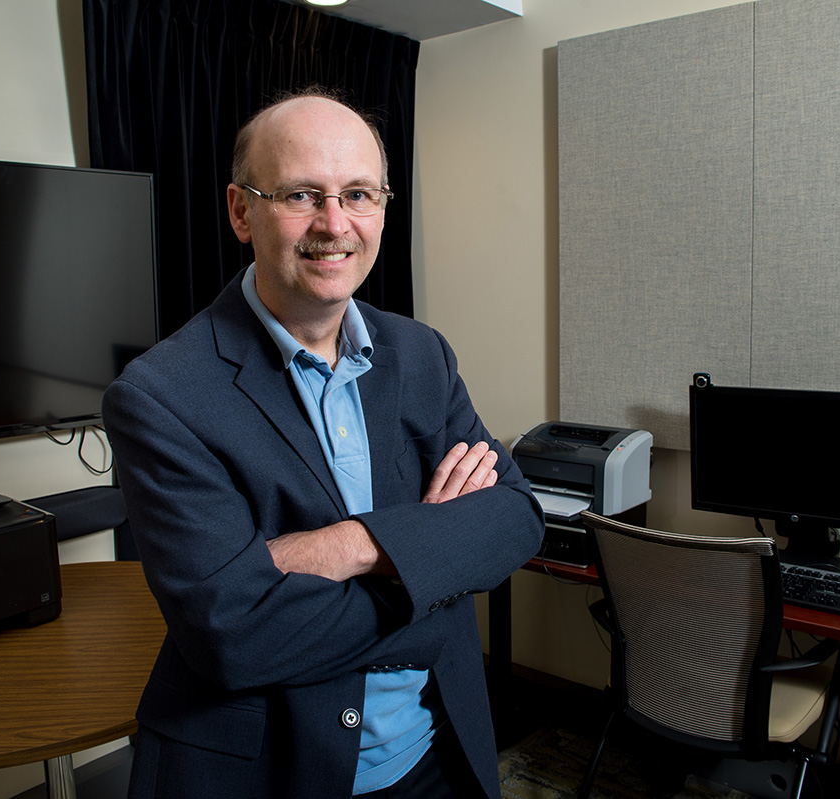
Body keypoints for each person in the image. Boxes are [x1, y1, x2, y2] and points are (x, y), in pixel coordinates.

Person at [102, 88, 544, 799]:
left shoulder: (422, 353)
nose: (334, 224)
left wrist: (350, 547)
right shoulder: (159, 397)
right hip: (275, 771)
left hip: (437, 755)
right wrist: (433, 571)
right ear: (241, 211)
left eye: (359, 194)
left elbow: (518, 516)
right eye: (302, 194)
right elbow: (234, 636)